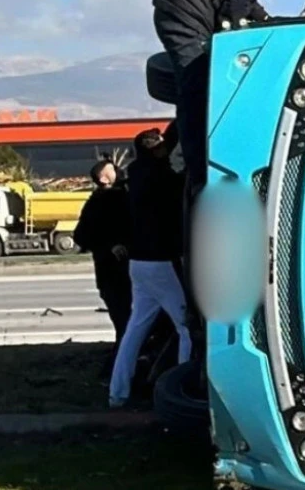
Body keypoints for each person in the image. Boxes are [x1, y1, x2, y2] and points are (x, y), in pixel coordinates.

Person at [151, 0, 301, 195]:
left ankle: (195, 167)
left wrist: (265, 20)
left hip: (175, 9)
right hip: (187, 17)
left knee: (196, 88)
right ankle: (199, 175)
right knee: (197, 92)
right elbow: (236, 4)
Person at [108, 129, 191, 409]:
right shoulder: (164, 177)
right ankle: (185, 388)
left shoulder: (136, 175)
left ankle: (117, 392)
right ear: (154, 149)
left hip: (138, 261)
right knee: (186, 328)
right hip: (161, 261)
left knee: (135, 329)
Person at [74, 159, 133, 375]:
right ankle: (117, 371)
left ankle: (120, 369)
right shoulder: (101, 202)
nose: (118, 170)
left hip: (124, 273)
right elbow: (81, 235)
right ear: (103, 178)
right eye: (112, 169)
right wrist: (110, 247)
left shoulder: (121, 196)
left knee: (128, 324)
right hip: (113, 274)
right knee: (125, 325)